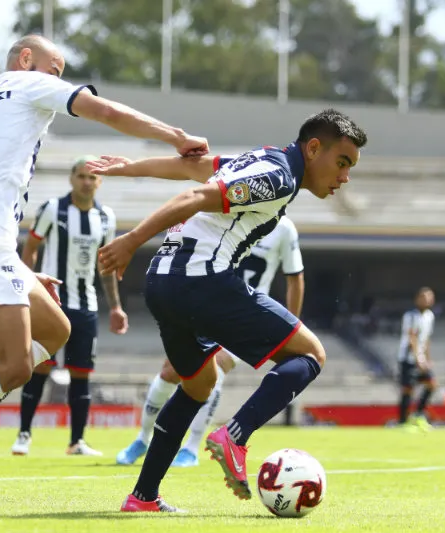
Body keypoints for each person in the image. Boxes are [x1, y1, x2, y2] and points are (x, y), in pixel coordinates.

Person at [0, 34, 208, 511]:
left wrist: (22, 272)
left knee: (55, 329)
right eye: (55, 68)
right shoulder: (27, 84)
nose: (60, 79)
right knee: (15, 366)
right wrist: (177, 137)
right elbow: (105, 111)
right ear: (26, 59)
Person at [90, 108, 366, 512]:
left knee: (198, 384)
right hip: (201, 279)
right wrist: (131, 239)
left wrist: (131, 169)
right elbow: (196, 194)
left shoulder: (263, 158)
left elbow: (194, 167)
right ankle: (234, 436)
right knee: (311, 354)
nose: (344, 177)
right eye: (342, 163)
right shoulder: (277, 177)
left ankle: (143, 496)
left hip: (162, 281)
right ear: (313, 148)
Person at [117, 215, 304, 467]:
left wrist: (290, 327)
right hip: (207, 305)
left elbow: (295, 278)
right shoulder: (226, 216)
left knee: (215, 365)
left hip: (246, 315)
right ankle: (141, 439)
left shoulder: (283, 228)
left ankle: (192, 448)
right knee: (170, 371)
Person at [12, 155, 126, 457]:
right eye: (81, 176)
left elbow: (107, 265)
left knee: (82, 373)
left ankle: (77, 441)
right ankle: (23, 435)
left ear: (99, 182)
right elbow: (31, 247)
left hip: (86, 306)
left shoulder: (106, 218)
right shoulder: (53, 209)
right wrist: (27, 287)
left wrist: (115, 307)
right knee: (39, 368)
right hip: (51, 303)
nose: (86, 182)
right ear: (71, 179)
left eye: (92, 177)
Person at [395, 287, 436, 432]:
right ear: (417, 299)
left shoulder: (430, 316)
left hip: (421, 358)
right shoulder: (410, 316)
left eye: (429, 297)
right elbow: (411, 337)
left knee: (431, 384)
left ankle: (418, 415)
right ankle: (403, 421)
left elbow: (426, 339)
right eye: (423, 297)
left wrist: (427, 358)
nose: (427, 300)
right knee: (408, 389)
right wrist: (418, 357)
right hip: (408, 358)